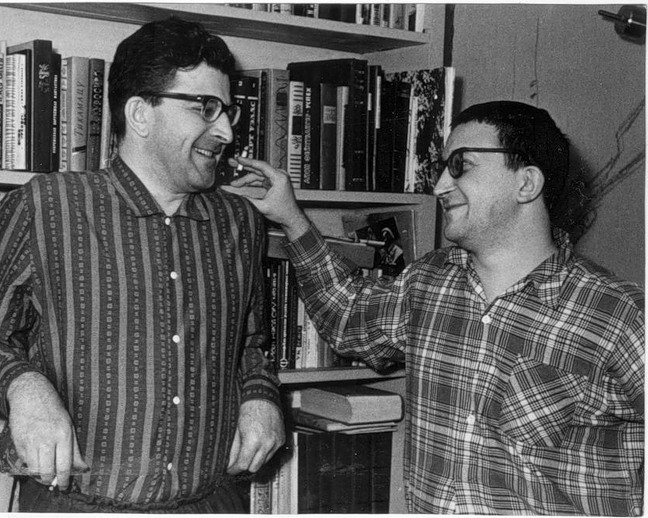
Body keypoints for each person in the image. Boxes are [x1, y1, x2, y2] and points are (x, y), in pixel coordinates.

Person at [229, 100, 644, 515]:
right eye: (443, 167)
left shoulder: (619, 315)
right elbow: (346, 316)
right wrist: (291, 217)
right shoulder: (428, 282)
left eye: (461, 165)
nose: (441, 185)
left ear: (526, 183)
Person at [0, 17, 284, 513]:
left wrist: (260, 395)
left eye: (228, 111)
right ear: (140, 113)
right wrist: (23, 386)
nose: (226, 131)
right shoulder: (47, 206)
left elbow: (251, 343)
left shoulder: (240, 220)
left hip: (211, 502)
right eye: (207, 108)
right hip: (77, 504)